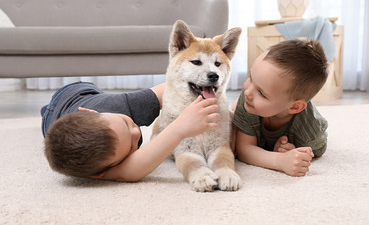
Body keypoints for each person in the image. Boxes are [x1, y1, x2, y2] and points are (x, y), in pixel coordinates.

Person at [42, 81, 220, 181]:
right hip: (49, 123)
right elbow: (131, 171)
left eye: (125, 123)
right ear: (99, 173)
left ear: (92, 113)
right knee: (48, 121)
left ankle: (47, 108)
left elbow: (170, 89)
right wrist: (180, 128)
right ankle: (45, 111)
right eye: (130, 148)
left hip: (75, 91)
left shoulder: (117, 107)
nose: (137, 133)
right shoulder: (90, 165)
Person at [231, 38, 328, 177]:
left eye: (261, 93)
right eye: (251, 78)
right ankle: (236, 108)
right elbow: (243, 149)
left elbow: (316, 151)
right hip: (260, 115)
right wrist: (280, 160)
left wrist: (294, 153)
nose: (247, 91)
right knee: (234, 118)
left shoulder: (310, 134)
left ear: (294, 107)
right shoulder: (249, 100)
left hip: (303, 132)